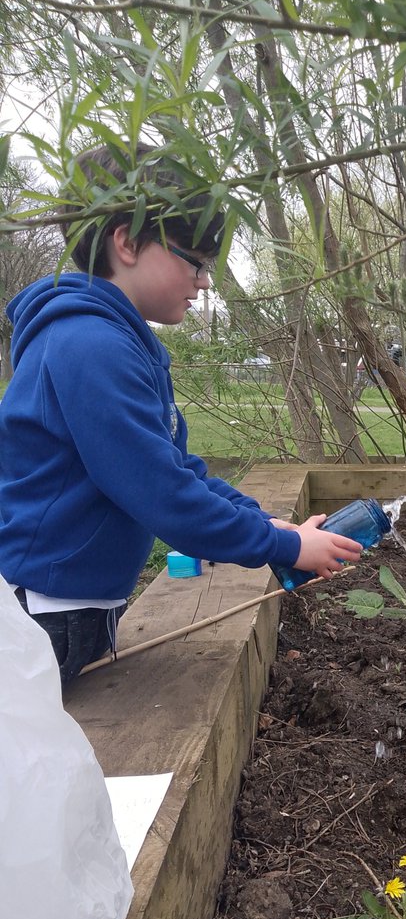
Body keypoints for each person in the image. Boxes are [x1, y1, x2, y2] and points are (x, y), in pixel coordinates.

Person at [0, 143, 362, 684]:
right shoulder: (89, 345)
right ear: (127, 242)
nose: (205, 281)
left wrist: (263, 521)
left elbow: (176, 468)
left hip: (77, 603)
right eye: (195, 262)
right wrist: (283, 545)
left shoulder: (120, 339)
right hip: (48, 612)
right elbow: (160, 494)